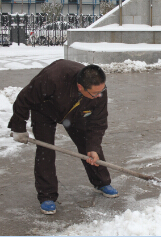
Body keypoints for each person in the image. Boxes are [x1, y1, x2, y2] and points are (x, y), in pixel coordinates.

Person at [8, 59, 119, 215]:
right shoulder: (52, 77)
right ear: (80, 87)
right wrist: (18, 127)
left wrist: (93, 147)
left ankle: (102, 182)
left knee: (90, 146)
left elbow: (98, 122)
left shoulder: (99, 90)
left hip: (76, 112)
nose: (99, 95)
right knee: (45, 151)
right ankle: (47, 196)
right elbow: (24, 99)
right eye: (94, 93)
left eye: (101, 90)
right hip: (44, 111)